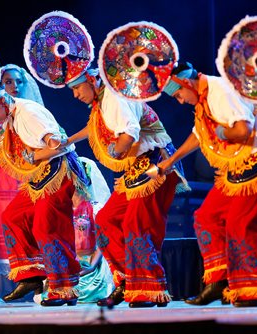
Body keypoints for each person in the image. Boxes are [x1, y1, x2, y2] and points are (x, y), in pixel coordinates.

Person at [158, 61, 257, 307]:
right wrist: (170, 161)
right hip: (239, 161)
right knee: (206, 217)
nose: (180, 101)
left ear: (185, 83)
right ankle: (219, 280)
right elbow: (200, 135)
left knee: (240, 223)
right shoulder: (204, 99)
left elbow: (243, 130)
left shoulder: (220, 89)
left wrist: (222, 134)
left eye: (179, 94)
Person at [0, 88, 90, 306]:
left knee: (47, 227)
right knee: (13, 216)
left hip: (59, 171)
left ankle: (64, 288)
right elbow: (5, 153)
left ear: (1, 100)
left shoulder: (28, 113)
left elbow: (56, 143)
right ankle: (33, 275)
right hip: (41, 175)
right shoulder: (12, 118)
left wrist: (47, 145)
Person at [65, 68, 189, 308]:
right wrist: (68, 141)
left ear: (92, 81)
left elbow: (129, 131)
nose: (76, 95)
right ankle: (128, 281)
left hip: (156, 164)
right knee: (106, 221)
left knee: (138, 224)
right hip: (136, 169)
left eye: (77, 88)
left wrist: (118, 150)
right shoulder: (101, 103)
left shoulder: (113, 97)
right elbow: (95, 127)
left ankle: (150, 287)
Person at [0, 64, 45, 298]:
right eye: (8, 82)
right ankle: (9, 283)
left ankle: (37, 278)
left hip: (23, 172)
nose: (13, 86)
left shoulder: (29, 112)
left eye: (18, 81)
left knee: (27, 221)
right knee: (1, 225)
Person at [34, 157, 114, 304]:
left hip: (90, 267)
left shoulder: (96, 209)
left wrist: (92, 265)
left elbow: (104, 241)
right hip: (68, 266)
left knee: (82, 291)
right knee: (42, 295)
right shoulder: (59, 210)